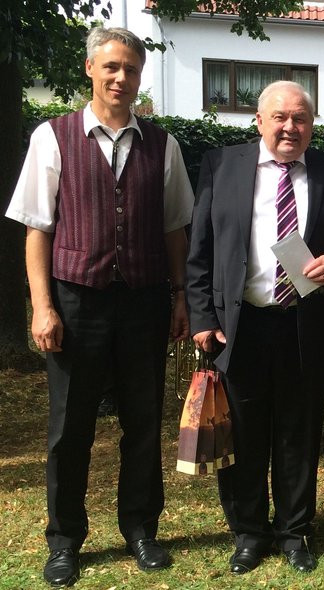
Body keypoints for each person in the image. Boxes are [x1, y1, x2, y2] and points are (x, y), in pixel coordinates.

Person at [4, 26, 193, 587]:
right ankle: (64, 539)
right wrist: (42, 307)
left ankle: (140, 528)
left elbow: (174, 229)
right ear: (90, 69)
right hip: (75, 301)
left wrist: (180, 296)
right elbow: (37, 229)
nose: (121, 78)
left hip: (143, 301)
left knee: (143, 421)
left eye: (131, 70)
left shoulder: (164, 144)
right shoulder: (52, 136)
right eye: (111, 67)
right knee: (70, 427)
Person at [187, 80, 324, 573]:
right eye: (280, 117)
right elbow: (200, 249)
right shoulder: (222, 165)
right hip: (240, 327)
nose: (290, 127)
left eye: (300, 118)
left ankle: (295, 530)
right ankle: (248, 532)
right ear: (259, 121)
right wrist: (201, 316)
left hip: (306, 324)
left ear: (312, 124)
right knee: (242, 435)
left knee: (299, 431)